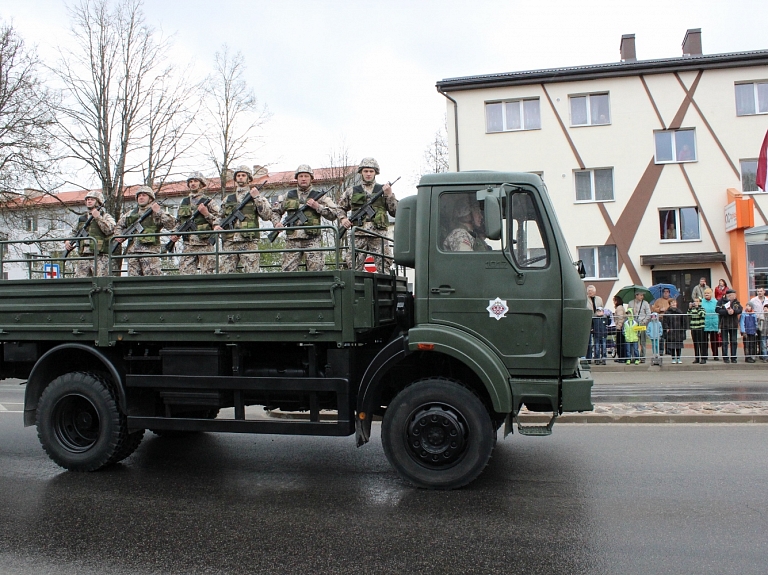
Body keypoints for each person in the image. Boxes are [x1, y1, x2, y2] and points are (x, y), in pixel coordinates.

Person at [275, 164, 344, 272]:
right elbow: (275, 211)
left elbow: (335, 214)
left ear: (311, 178)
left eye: (306, 176)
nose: (303, 179)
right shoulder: (287, 196)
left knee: (316, 272)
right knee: (287, 273)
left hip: (313, 241)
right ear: (296, 178)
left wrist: (318, 207)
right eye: (301, 176)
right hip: (292, 241)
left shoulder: (319, 196)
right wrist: (277, 223)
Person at [338, 157, 398, 273]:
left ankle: (385, 290)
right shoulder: (351, 191)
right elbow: (340, 207)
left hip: (378, 235)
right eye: (366, 171)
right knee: (352, 265)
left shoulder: (384, 190)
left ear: (376, 172)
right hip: (358, 234)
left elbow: (394, 211)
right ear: (361, 172)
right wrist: (343, 219)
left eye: (371, 171)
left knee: (384, 265)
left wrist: (389, 195)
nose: (368, 174)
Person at [219, 165, 277, 274]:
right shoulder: (228, 199)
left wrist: (257, 198)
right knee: (225, 275)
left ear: (248, 178)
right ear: (235, 178)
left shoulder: (256, 196)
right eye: (238, 175)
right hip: (230, 242)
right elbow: (219, 216)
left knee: (252, 274)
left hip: (249, 242)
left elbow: (267, 215)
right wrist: (217, 226)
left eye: (243, 175)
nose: (240, 177)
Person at [114, 186, 176, 276]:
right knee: (134, 282)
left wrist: (159, 212)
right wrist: (119, 236)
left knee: (152, 281)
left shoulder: (157, 213)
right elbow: (118, 226)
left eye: (144, 195)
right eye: (139, 196)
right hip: (133, 253)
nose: (141, 197)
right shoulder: (130, 214)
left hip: (150, 252)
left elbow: (172, 225)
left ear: (150, 198)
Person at [172, 172, 220, 275]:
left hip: (205, 244)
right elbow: (178, 221)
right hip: (188, 245)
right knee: (185, 275)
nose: (193, 183)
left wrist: (206, 213)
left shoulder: (209, 201)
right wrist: (174, 233)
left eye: (196, 181)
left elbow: (218, 220)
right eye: (190, 181)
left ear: (201, 184)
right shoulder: (184, 202)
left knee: (208, 275)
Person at [65, 190, 116, 278]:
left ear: (98, 201)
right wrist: (67, 241)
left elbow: (110, 230)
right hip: (83, 256)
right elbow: (73, 232)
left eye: (92, 199)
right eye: (87, 199)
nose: (89, 201)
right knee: (80, 283)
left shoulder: (105, 216)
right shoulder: (82, 218)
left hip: (100, 256)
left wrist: (98, 218)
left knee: (101, 282)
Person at [716, 288, 742, 364]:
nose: (733, 296)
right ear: (728, 295)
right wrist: (726, 312)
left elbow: (740, 309)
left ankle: (734, 357)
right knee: (724, 342)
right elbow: (717, 310)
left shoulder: (736, 302)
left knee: (734, 341)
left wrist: (734, 311)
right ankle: (725, 357)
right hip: (724, 324)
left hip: (733, 324)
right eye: (732, 295)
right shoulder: (721, 301)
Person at [629, 292, 651, 363]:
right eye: (641, 295)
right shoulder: (631, 303)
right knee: (633, 341)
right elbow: (629, 313)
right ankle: (634, 356)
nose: (642, 297)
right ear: (636, 295)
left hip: (642, 324)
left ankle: (643, 356)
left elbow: (648, 314)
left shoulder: (645, 303)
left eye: (643, 295)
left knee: (643, 341)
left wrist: (644, 321)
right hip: (634, 324)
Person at [701, 288, 720, 361]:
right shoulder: (702, 302)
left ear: (711, 294)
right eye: (705, 293)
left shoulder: (715, 302)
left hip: (714, 323)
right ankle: (704, 356)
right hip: (705, 323)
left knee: (714, 341)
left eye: (708, 293)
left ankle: (715, 355)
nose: (706, 295)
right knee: (704, 341)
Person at [585, 285, 604, 361]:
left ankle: (597, 357)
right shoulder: (585, 299)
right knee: (588, 340)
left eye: (591, 291)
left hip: (597, 321)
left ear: (595, 292)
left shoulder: (599, 299)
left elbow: (602, 308)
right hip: (588, 320)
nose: (590, 292)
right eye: (589, 291)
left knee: (597, 340)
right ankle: (588, 358)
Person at [748, 287, 767, 360]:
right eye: (758, 291)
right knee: (755, 337)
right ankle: (755, 354)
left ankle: (763, 354)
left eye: (761, 291)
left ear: (764, 292)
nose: (759, 292)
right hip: (755, 320)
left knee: (763, 338)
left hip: (765, 321)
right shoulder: (753, 300)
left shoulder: (767, 300)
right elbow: (749, 308)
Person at [687, 297, 707, 364]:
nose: (695, 302)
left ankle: (703, 358)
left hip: (700, 327)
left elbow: (702, 314)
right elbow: (688, 315)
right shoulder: (692, 309)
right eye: (694, 301)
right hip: (693, 327)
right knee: (695, 343)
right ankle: (697, 358)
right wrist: (689, 308)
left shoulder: (702, 308)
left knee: (702, 343)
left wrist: (697, 308)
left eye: (697, 301)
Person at [612, 295, 626, 362]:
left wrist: (619, 326)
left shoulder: (619, 308)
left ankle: (621, 357)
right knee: (620, 343)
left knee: (620, 343)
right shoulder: (619, 308)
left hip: (620, 328)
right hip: (620, 327)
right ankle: (621, 356)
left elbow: (620, 318)